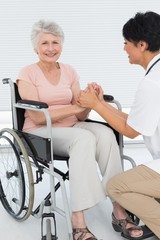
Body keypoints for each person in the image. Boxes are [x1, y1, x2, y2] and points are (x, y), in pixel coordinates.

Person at [16, 19, 124, 240]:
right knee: (83, 138)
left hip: (72, 127)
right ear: (35, 48)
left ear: (62, 46)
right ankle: (78, 219)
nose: (50, 48)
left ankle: (119, 206)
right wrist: (76, 106)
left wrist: (92, 100)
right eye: (44, 43)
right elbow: (37, 116)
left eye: (55, 42)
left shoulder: (69, 71)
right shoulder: (27, 73)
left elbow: (80, 114)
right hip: (40, 131)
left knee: (105, 133)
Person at [78, 11, 160, 239]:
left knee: (116, 186)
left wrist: (95, 105)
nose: (124, 48)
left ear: (141, 45)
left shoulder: (152, 83)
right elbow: (136, 120)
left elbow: (131, 131)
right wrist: (102, 104)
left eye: (126, 43)